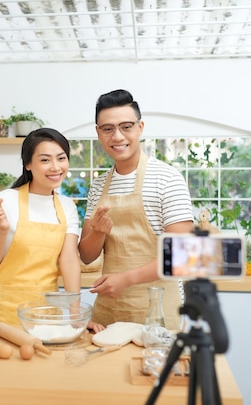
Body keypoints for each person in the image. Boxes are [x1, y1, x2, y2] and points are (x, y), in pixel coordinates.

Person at [79, 89, 194, 331]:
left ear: (140, 127)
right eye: (108, 129)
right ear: (98, 133)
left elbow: (182, 258)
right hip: (108, 312)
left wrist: (126, 279)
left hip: (158, 313)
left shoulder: (167, 178)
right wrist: (98, 232)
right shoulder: (99, 185)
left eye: (126, 127)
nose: (117, 136)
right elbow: (86, 255)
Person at [0, 128, 82, 326]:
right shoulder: (5, 201)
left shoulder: (67, 206)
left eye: (61, 158)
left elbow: (69, 261)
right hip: (6, 313)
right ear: (28, 164)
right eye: (45, 160)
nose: (55, 167)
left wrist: (75, 313)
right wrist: (1, 230)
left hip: (47, 312)